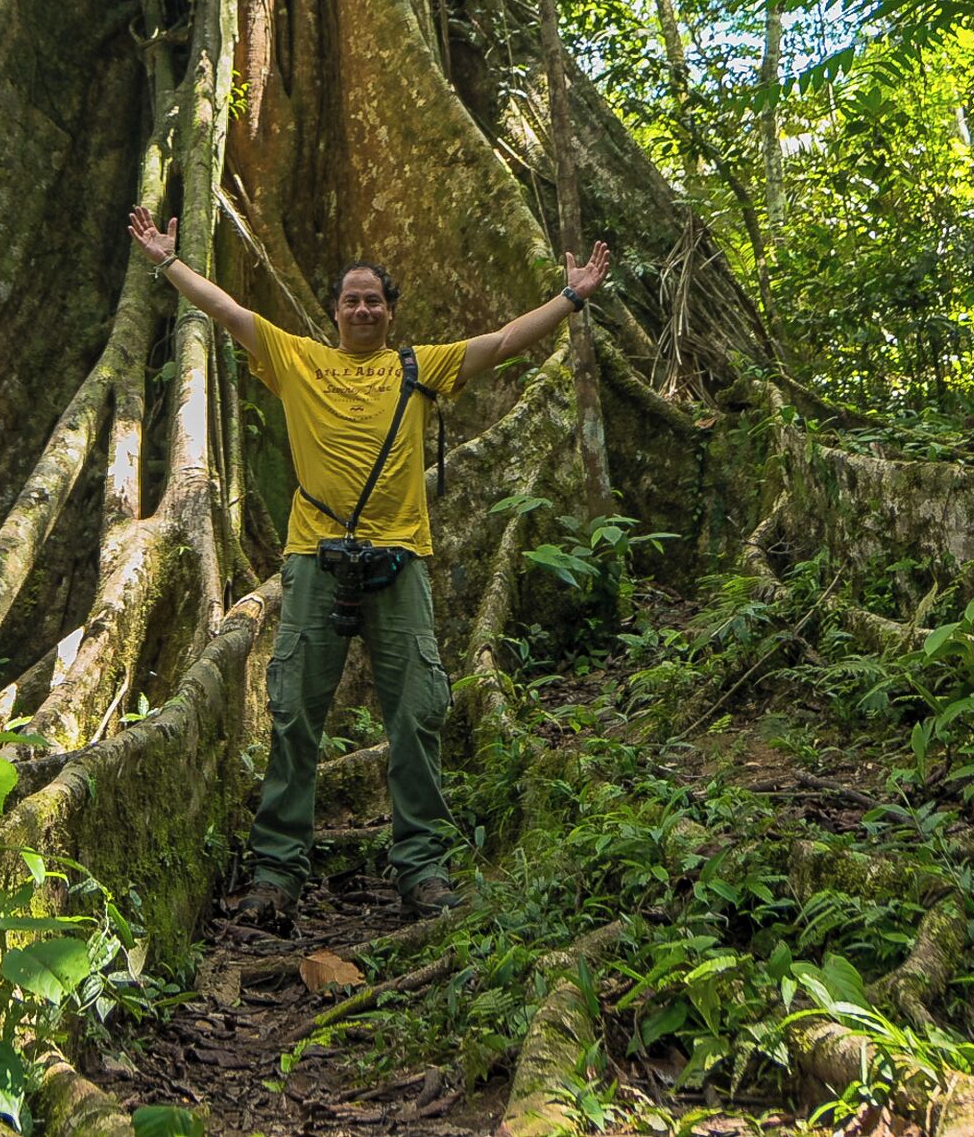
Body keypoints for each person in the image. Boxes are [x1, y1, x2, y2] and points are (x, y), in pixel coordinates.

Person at [124, 205, 611, 926]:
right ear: (334, 310)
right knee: (293, 714)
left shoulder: (420, 366)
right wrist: (168, 262)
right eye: (350, 298)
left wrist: (571, 296)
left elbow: (504, 341)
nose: (361, 307)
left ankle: (421, 868)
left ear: (389, 311)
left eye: (373, 298)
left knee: (418, 711)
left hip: (400, 561)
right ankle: (276, 872)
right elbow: (227, 310)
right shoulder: (299, 359)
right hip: (315, 562)